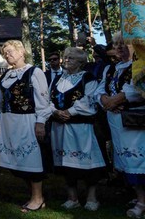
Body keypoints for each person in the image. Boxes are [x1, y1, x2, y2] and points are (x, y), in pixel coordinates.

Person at [0, 40, 52, 213]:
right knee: (17, 162)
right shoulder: (5, 75)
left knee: (32, 160)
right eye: (5, 53)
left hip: (27, 121)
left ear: (22, 52)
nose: (7, 55)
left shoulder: (34, 72)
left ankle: (37, 198)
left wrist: (40, 122)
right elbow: (0, 102)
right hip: (9, 122)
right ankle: (35, 196)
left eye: (11, 51)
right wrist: (0, 121)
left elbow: (44, 102)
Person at [50, 47, 105, 211]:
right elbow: (48, 98)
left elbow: (90, 101)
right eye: (65, 57)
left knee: (88, 163)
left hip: (81, 128)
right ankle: (72, 198)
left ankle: (92, 198)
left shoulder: (88, 78)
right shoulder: (58, 79)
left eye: (71, 58)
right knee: (66, 165)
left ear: (81, 62)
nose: (66, 60)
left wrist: (69, 111)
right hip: (60, 128)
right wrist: (55, 111)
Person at [96, 33, 145, 218]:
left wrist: (116, 100)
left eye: (123, 44)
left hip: (135, 119)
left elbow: (138, 89)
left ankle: (142, 202)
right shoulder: (110, 69)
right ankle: (138, 196)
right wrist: (105, 100)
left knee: (138, 159)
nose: (119, 48)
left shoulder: (140, 64)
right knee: (125, 159)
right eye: (117, 45)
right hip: (116, 120)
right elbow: (100, 89)